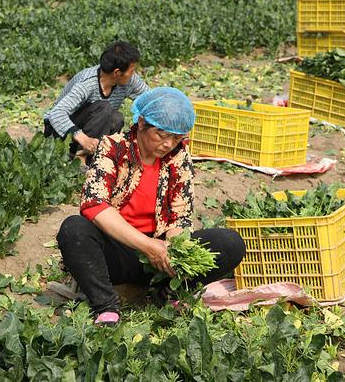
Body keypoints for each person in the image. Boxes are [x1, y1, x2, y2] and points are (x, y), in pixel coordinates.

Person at [56, 87, 246, 326]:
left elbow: (180, 216)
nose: (168, 144)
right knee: (74, 229)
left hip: (160, 256)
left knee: (229, 243)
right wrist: (148, 246)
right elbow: (94, 205)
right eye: (161, 134)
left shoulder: (179, 157)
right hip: (118, 251)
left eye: (176, 138)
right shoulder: (113, 148)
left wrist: (174, 250)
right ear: (142, 123)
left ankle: (169, 292)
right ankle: (106, 305)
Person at [43, 40, 149, 163]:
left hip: (91, 130)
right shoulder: (86, 84)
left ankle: (92, 157)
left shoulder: (130, 80)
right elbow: (56, 114)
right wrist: (81, 137)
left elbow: (151, 98)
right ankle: (79, 159)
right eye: (132, 71)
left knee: (117, 119)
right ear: (117, 73)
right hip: (60, 133)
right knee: (104, 108)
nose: (134, 74)